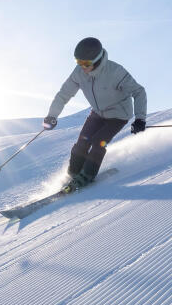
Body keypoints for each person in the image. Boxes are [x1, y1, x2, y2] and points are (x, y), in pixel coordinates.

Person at [43, 37, 147, 191]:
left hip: (118, 114)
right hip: (98, 113)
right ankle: (72, 174)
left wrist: (140, 118)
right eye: (79, 63)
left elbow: (139, 91)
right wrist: (52, 115)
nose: (82, 67)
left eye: (86, 64)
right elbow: (63, 95)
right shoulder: (79, 72)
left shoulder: (115, 71)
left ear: (97, 60)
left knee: (98, 141)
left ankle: (87, 176)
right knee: (82, 142)